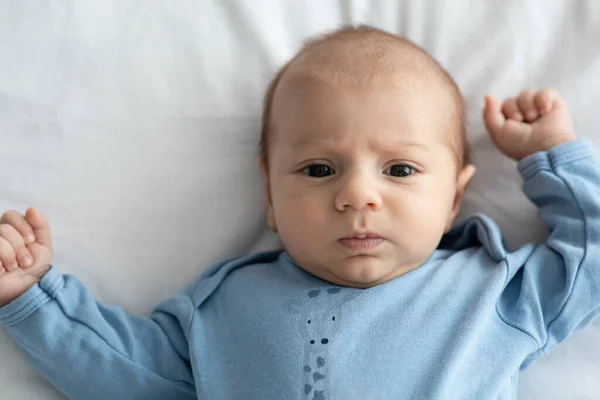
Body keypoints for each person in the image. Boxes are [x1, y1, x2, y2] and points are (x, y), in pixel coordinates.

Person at [0, 25, 597, 399]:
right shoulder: (225, 308)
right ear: (270, 194)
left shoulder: (496, 292)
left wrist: (551, 157)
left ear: (454, 199)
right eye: (318, 169)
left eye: (400, 170)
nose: (358, 196)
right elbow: (122, 370)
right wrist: (31, 297)